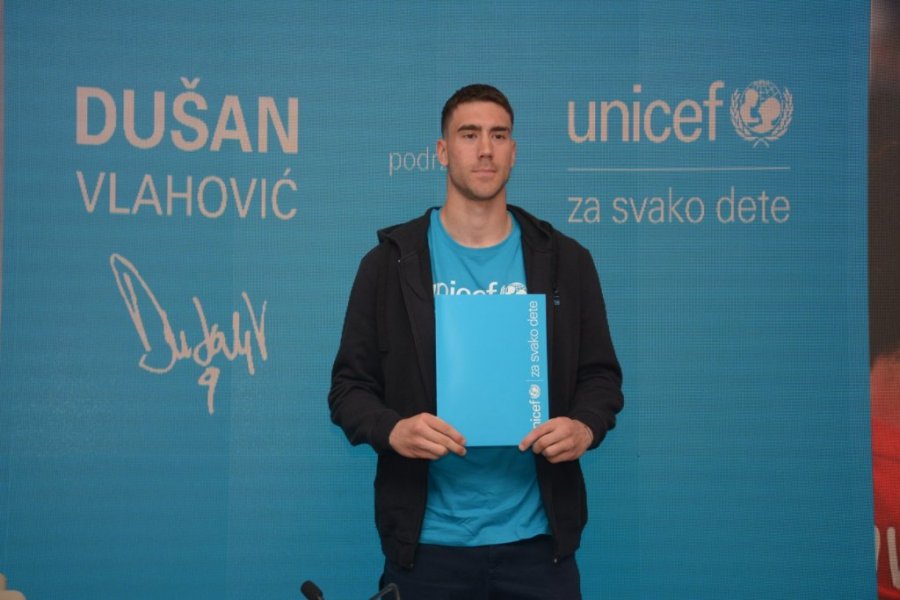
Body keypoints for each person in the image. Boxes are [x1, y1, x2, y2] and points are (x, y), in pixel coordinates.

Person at [328, 84, 623, 599]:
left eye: (498, 135)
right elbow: (348, 390)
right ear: (443, 151)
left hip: (538, 546)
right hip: (427, 549)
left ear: (514, 151)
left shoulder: (566, 262)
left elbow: (600, 378)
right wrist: (394, 430)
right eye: (469, 135)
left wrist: (584, 427)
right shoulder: (389, 265)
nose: (485, 149)